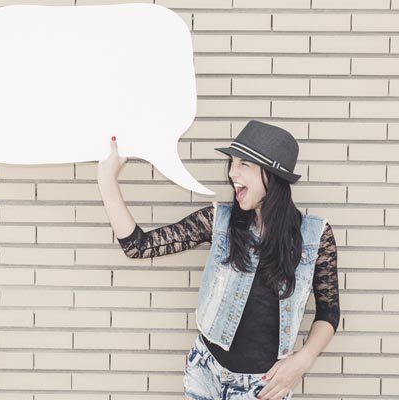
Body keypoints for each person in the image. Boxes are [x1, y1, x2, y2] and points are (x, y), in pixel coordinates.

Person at [96, 120, 339, 400]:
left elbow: (328, 312)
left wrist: (302, 361)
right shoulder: (219, 221)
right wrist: (107, 180)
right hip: (206, 373)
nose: (232, 172)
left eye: (244, 164)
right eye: (232, 162)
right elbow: (138, 246)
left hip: (261, 387)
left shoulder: (315, 235)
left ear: (272, 175)